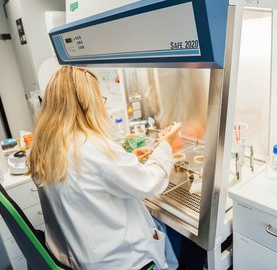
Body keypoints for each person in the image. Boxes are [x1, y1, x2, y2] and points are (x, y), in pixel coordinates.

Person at [26, 66, 181, 269]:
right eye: (101, 99)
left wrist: (125, 160)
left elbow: (84, 178)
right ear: (87, 104)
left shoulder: (42, 144)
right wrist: (166, 144)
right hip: (118, 261)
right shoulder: (94, 148)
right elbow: (149, 183)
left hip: (74, 255)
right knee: (166, 232)